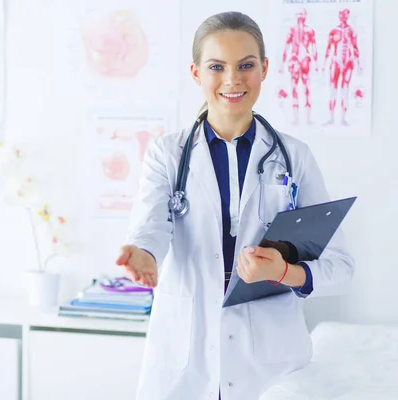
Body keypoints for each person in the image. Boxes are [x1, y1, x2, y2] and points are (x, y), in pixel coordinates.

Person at [115, 11, 354, 400]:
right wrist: (144, 255)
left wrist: (284, 273)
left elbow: (340, 268)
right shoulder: (167, 155)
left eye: (246, 65)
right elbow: (152, 227)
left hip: (270, 366)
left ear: (264, 69)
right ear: (195, 73)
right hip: (185, 363)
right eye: (216, 66)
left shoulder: (295, 157)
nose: (232, 79)